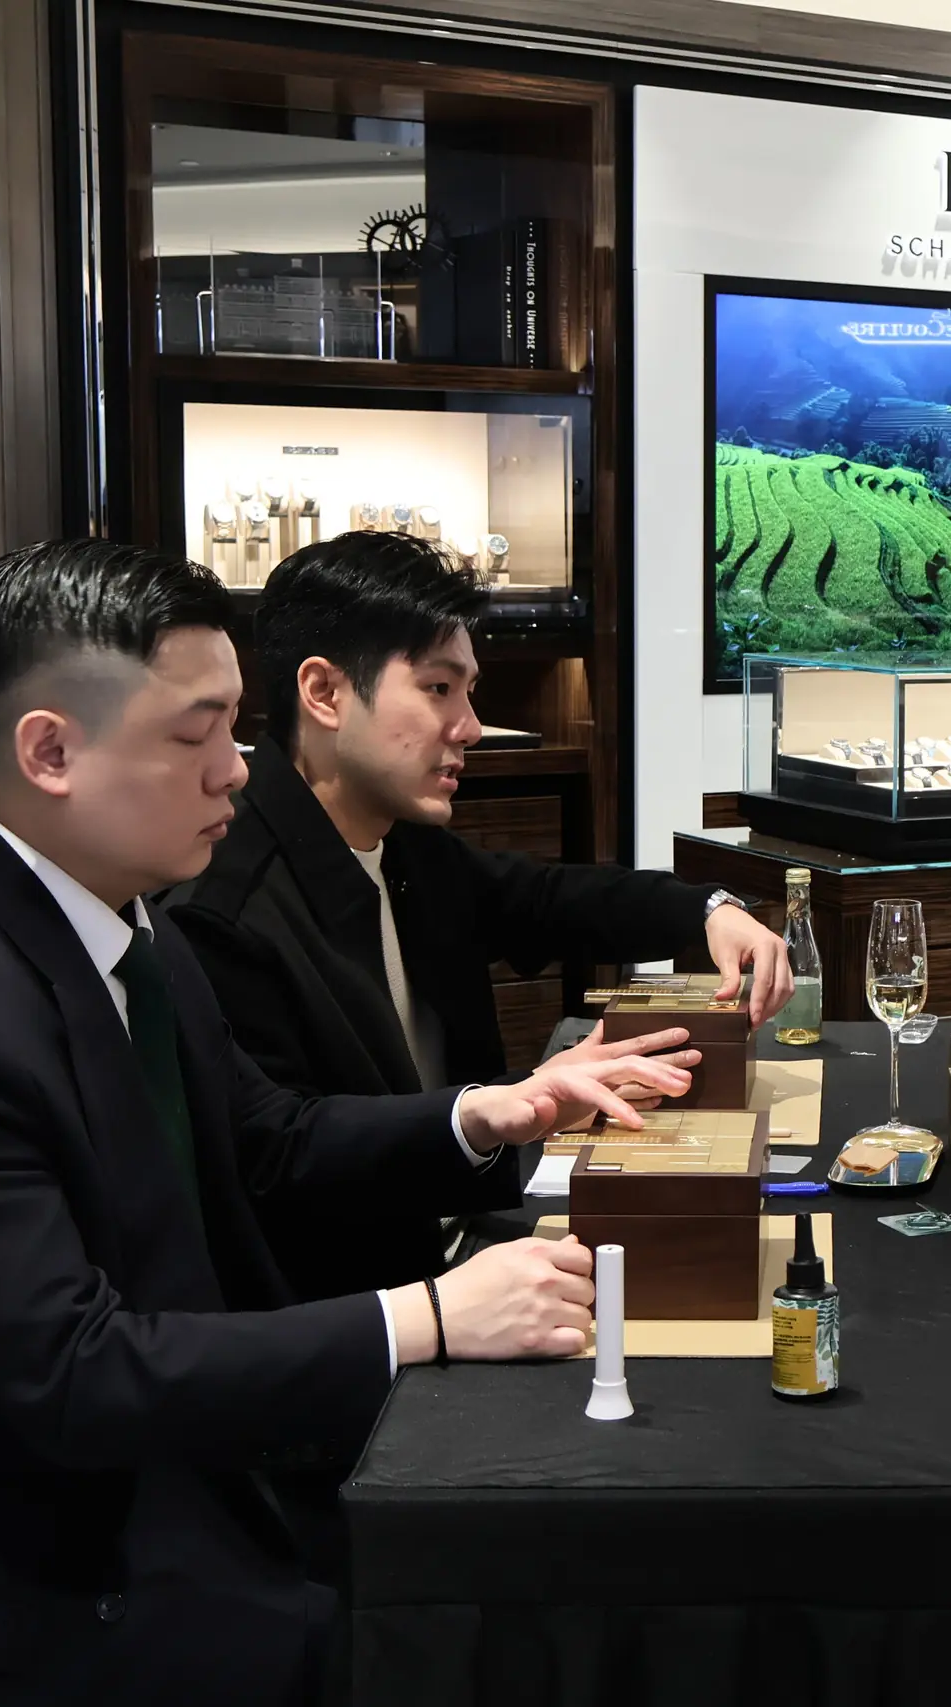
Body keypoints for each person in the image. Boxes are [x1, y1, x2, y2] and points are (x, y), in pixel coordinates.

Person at [0, 540, 686, 1704]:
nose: (235, 772)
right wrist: (425, 1316)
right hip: (46, 1597)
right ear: (51, 752)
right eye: (197, 735)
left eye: (236, 728)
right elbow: (68, 1375)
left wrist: (490, 1113)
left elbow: (268, 1137)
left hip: (192, 1488)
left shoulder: (129, 928)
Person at [163, 531, 790, 1301]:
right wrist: (510, 1102)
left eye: (468, 692)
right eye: (438, 688)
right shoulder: (222, 912)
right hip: (388, 1304)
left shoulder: (404, 840)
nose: (467, 726)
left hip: (473, 1232)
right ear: (323, 693)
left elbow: (542, 898)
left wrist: (708, 908)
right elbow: (285, 1160)